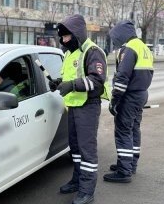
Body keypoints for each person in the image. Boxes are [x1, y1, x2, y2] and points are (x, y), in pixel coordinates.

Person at [49, 14, 110, 204]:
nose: (63, 40)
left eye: (67, 36)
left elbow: (97, 81)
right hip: (74, 106)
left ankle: (87, 190)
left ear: (77, 34)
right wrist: (59, 82)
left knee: (87, 151)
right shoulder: (70, 53)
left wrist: (72, 85)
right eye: (62, 37)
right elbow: (69, 76)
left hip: (88, 106)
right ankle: (77, 180)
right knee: (75, 148)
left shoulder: (93, 51)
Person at [103, 20, 154, 183]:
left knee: (123, 131)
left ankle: (124, 171)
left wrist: (114, 101)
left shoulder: (129, 49)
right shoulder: (143, 47)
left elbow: (121, 78)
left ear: (121, 35)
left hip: (129, 96)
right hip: (141, 94)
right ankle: (130, 164)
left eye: (115, 37)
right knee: (134, 129)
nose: (114, 41)